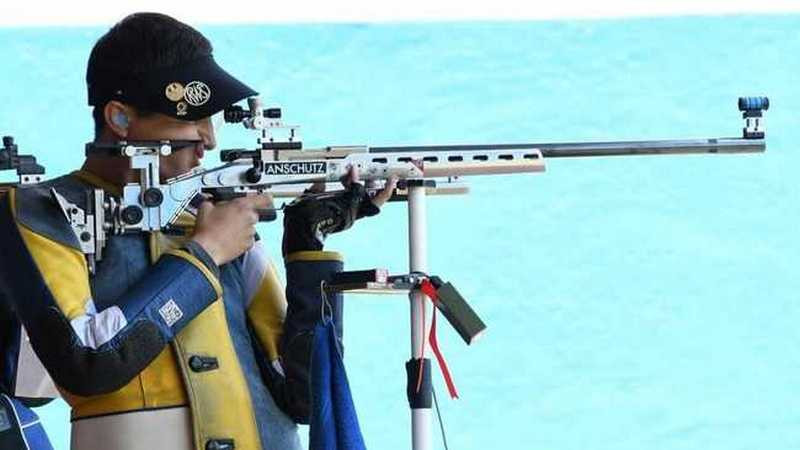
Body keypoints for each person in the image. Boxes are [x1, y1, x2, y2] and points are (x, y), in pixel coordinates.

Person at [0, 12, 395, 450]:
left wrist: (306, 243)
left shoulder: (216, 211)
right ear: (121, 119)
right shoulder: (44, 210)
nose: (208, 139)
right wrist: (204, 253)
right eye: (191, 116)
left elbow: (302, 396)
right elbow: (88, 362)